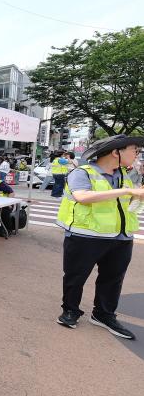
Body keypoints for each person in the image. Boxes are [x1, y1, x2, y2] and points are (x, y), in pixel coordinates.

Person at [55, 135, 144, 339]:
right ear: (116, 152)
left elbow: (126, 199)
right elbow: (82, 197)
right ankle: (70, 310)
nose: (137, 155)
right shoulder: (82, 172)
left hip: (121, 236)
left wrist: (136, 194)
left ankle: (103, 314)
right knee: (75, 276)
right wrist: (126, 190)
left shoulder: (125, 174)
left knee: (113, 279)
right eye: (134, 151)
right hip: (86, 235)